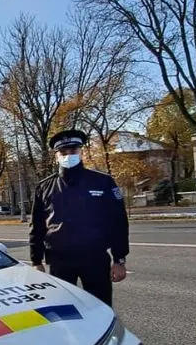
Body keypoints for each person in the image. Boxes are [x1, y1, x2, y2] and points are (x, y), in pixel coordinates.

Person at [29, 129, 129, 306]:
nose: (68, 156)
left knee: (100, 308)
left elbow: (118, 222)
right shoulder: (45, 187)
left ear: (81, 151)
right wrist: (36, 261)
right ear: (56, 156)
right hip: (59, 261)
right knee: (64, 310)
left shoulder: (102, 182)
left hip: (94, 258)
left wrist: (119, 259)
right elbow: (37, 226)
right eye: (63, 152)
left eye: (73, 151)